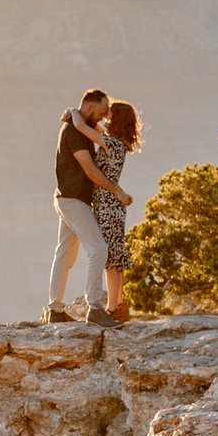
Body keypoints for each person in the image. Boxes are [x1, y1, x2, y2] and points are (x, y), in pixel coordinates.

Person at [49, 88, 133, 326]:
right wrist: (118, 191)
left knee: (64, 254)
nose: (104, 115)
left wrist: (73, 112)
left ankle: (55, 309)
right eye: (102, 110)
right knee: (98, 249)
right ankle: (95, 308)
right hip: (74, 200)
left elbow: (94, 129)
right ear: (90, 107)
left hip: (70, 199)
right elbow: (90, 170)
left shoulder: (86, 130)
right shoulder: (76, 132)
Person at [90, 101, 140, 321]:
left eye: (109, 116)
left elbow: (86, 130)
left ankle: (112, 307)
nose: (105, 120)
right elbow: (99, 131)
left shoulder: (112, 144)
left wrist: (74, 115)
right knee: (116, 256)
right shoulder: (119, 143)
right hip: (113, 204)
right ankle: (119, 304)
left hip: (106, 203)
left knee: (111, 258)